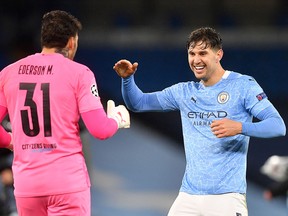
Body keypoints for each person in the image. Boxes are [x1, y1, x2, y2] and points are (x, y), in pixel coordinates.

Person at [113, 27, 286, 216]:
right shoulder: (185, 92)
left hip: (226, 197)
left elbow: (277, 126)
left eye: (203, 53)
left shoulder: (243, 85)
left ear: (218, 54)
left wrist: (240, 127)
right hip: (188, 196)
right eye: (191, 53)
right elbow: (139, 103)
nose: (196, 60)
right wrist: (128, 80)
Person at [0, 10, 130, 216]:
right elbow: (100, 130)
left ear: (44, 39)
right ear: (71, 42)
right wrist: (117, 119)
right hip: (66, 182)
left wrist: (9, 141)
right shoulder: (80, 74)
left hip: (27, 184)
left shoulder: (8, 73)